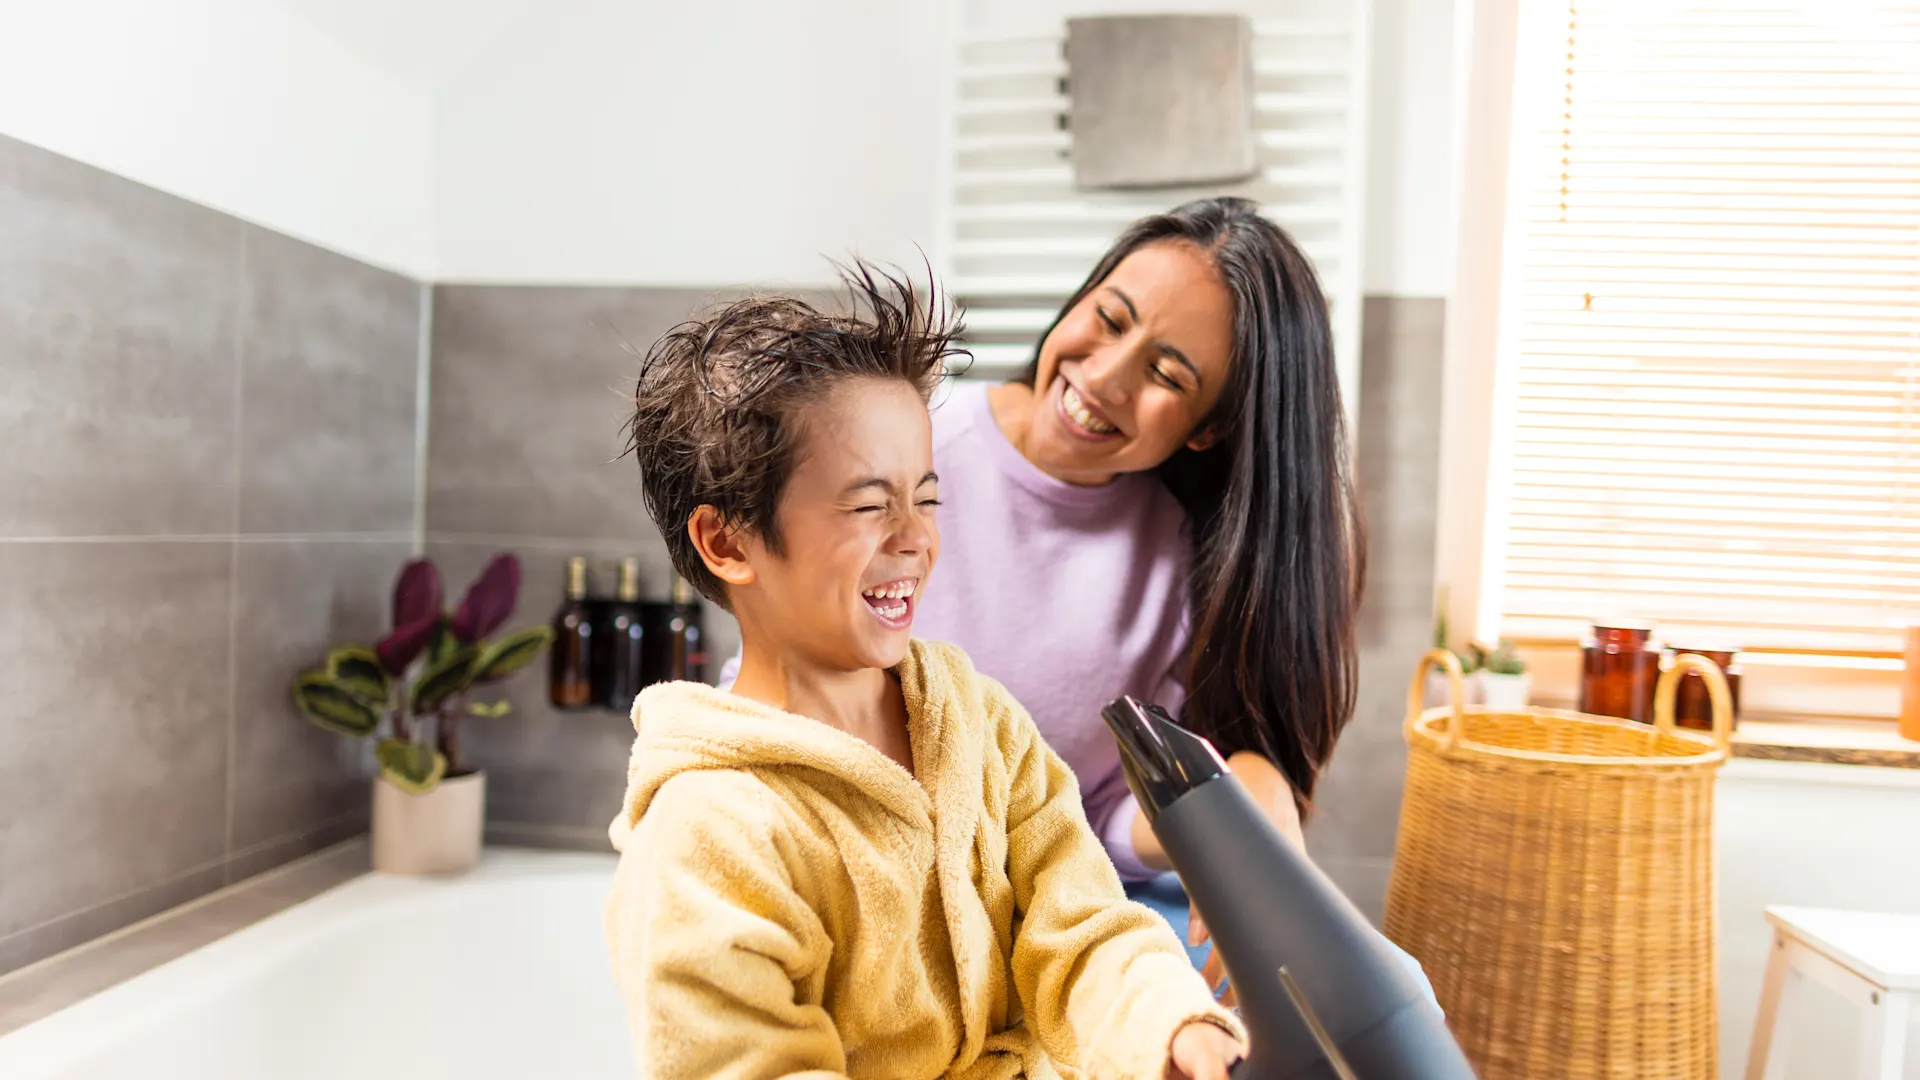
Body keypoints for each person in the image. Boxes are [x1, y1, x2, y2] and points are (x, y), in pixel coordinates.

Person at [607, 264, 1246, 1080]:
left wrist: (1173, 1029)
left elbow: (1080, 927)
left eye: (928, 497)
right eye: (871, 503)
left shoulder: (978, 722)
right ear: (728, 543)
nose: (915, 538)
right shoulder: (708, 838)